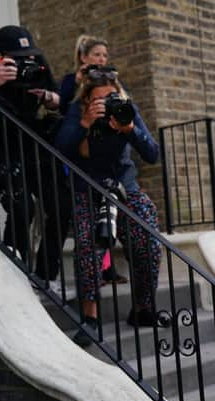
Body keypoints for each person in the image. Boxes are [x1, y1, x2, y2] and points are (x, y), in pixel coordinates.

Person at [56, 66, 166, 347]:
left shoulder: (127, 110)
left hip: (125, 188)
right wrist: (84, 123)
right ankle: (90, 318)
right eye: (100, 99)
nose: (107, 104)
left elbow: (152, 153)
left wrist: (129, 129)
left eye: (112, 97)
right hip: (88, 190)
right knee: (87, 248)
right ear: (87, 99)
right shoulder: (76, 112)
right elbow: (60, 149)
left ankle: (142, 310)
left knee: (149, 243)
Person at [0, 25, 74, 298]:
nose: (24, 61)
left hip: (33, 144)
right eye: (15, 57)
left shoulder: (35, 63)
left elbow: (58, 102)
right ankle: (14, 273)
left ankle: (44, 276)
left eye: (28, 54)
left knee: (61, 204)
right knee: (21, 207)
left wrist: (48, 97)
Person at [57, 34, 126, 286]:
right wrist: (77, 81)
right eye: (97, 54)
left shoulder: (108, 81)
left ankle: (106, 268)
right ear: (84, 57)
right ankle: (91, 274)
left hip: (103, 152)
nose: (101, 59)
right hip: (78, 151)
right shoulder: (71, 80)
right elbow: (62, 106)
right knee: (86, 214)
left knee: (106, 213)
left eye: (105, 56)